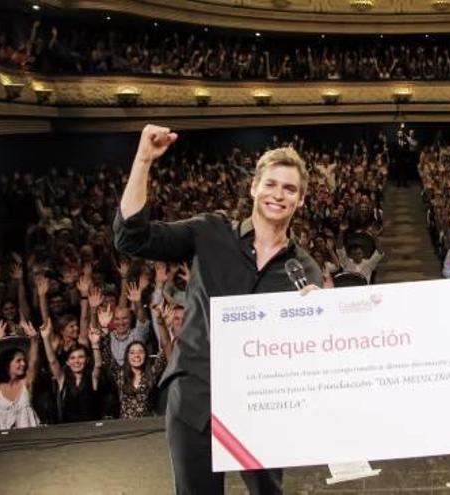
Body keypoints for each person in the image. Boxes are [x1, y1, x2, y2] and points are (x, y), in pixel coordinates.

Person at [113, 125, 322, 495]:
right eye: (270, 184)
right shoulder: (210, 232)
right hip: (196, 399)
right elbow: (132, 237)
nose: (278, 194)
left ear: (301, 199)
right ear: (254, 187)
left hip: (262, 408)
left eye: (289, 189)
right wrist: (144, 159)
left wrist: (317, 319)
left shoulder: (304, 270)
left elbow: (308, 348)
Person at [40, 318, 103, 423]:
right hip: (68, 430)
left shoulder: (92, 378)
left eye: (80, 357)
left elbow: (98, 365)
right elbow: (52, 361)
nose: (77, 361)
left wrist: (95, 344)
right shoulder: (63, 379)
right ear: (68, 362)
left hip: (91, 430)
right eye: (72, 358)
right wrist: (46, 338)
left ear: (87, 360)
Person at [0, 319, 41, 431]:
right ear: (7, 364)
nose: (23, 364)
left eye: (24, 360)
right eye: (18, 361)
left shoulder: (26, 383)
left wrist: (34, 340)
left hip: (29, 439)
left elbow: (33, 362)